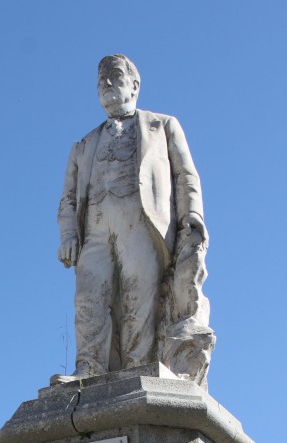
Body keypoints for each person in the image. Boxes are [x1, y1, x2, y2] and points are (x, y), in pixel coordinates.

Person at [55, 54, 214, 386]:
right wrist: (68, 234)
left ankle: (138, 368)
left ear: (135, 84)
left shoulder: (163, 125)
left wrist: (193, 214)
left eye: (114, 76)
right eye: (101, 79)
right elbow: (68, 199)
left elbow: (186, 176)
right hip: (95, 230)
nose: (106, 83)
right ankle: (89, 368)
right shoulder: (82, 146)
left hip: (143, 224)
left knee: (138, 294)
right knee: (88, 296)